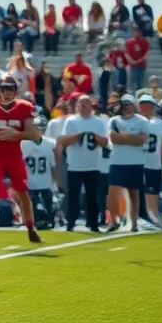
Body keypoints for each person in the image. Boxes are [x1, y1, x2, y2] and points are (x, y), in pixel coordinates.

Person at [0, 74, 42, 244]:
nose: (7, 93)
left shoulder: (24, 107)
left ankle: (30, 228)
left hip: (14, 154)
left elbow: (33, 133)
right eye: (4, 89)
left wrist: (17, 134)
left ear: (16, 91)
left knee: (22, 190)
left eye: (10, 89)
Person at [58, 96, 108, 232]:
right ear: (77, 106)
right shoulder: (71, 120)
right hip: (75, 164)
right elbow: (63, 140)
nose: (84, 106)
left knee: (92, 196)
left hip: (93, 165)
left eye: (86, 103)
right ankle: (71, 222)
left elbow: (105, 143)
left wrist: (95, 136)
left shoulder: (98, 121)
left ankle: (93, 223)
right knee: (72, 196)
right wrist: (77, 136)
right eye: (81, 103)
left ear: (91, 105)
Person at [105, 95, 150, 233]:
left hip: (135, 161)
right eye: (124, 105)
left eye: (129, 104)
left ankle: (134, 222)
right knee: (112, 191)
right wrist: (131, 138)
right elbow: (114, 138)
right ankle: (114, 219)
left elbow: (142, 139)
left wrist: (124, 137)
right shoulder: (114, 120)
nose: (126, 107)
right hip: (117, 160)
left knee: (134, 193)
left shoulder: (142, 120)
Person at [138, 95, 162, 229]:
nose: (145, 109)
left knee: (153, 192)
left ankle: (153, 216)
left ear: (153, 107)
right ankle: (140, 217)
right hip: (136, 163)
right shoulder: (133, 122)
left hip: (153, 163)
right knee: (136, 192)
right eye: (143, 106)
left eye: (148, 106)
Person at [21, 118, 57, 229]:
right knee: (33, 205)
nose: (38, 130)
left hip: (45, 182)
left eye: (40, 128)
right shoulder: (22, 143)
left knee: (49, 207)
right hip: (30, 182)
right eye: (35, 128)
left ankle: (48, 220)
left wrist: (55, 184)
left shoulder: (50, 144)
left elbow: (52, 165)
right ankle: (33, 220)